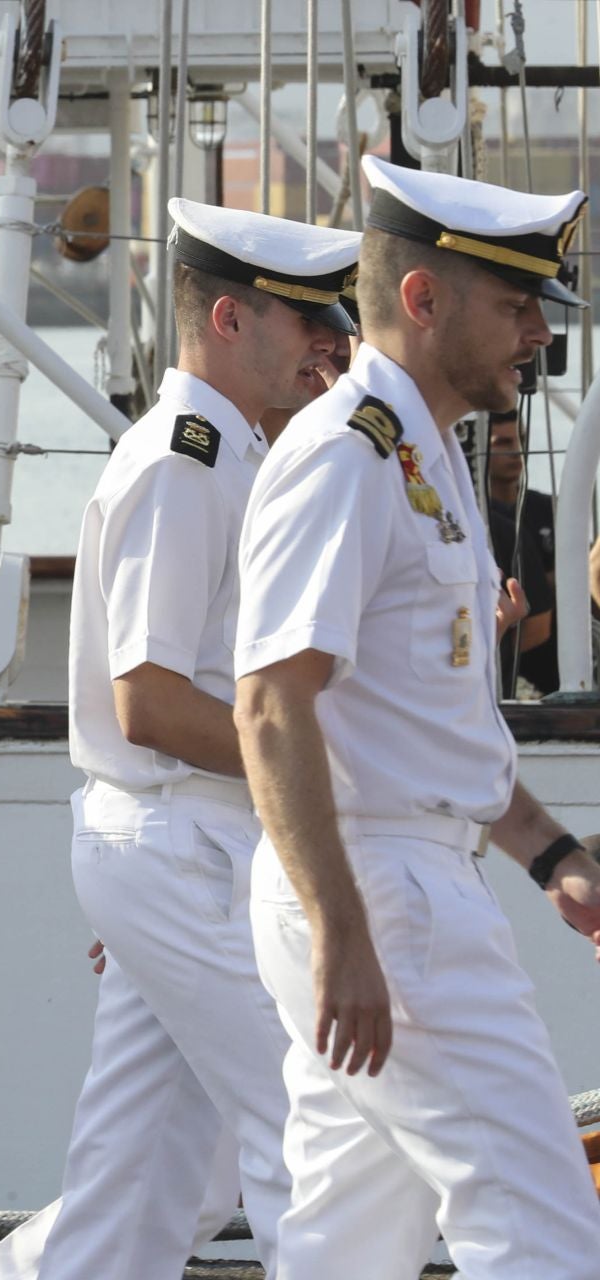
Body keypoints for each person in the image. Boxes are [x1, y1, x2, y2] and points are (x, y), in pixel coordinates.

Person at [0, 201, 360, 1280]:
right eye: (308, 317)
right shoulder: (183, 460)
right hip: (183, 841)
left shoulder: (238, 454)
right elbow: (146, 698)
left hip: (199, 846)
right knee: (315, 1129)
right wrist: (326, 770)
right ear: (230, 317)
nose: (331, 340)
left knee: (144, 1181)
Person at [235, 155, 600, 1277]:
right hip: (385, 897)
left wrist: (550, 853)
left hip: (398, 880)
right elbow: (269, 700)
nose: (537, 330)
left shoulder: (421, 449)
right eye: (513, 303)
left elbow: (425, 723)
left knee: (347, 1243)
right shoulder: (348, 457)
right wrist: (345, 928)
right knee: (541, 1226)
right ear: (422, 298)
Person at [485, 408, 558, 696]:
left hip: (552, 669)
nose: (516, 451)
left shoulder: (550, 509)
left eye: (520, 439)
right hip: (502, 676)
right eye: (502, 443)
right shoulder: (475, 519)